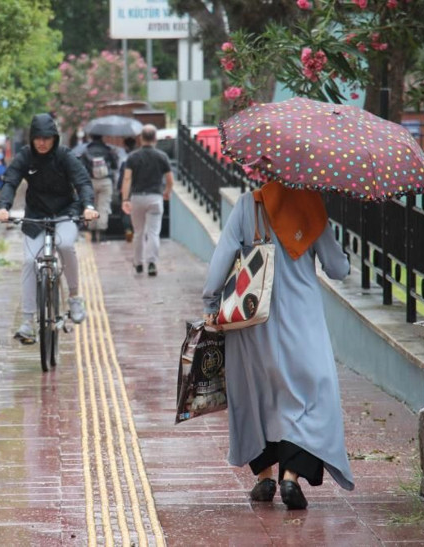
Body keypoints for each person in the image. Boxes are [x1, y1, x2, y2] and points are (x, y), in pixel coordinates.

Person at [201, 180, 355, 510]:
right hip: (303, 323)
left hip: (251, 320)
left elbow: (224, 256)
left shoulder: (247, 205)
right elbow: (338, 268)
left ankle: (264, 478)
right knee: (309, 397)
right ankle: (291, 477)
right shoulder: (311, 208)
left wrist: (212, 303)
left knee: (256, 396)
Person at [0, 113, 99, 343]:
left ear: (54, 138)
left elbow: (82, 181)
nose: (42, 143)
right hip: (36, 216)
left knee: (65, 244)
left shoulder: (64, 156)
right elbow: (11, 180)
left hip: (65, 213)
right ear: (32, 139)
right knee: (29, 262)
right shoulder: (25, 156)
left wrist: (89, 206)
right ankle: (27, 321)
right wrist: (4, 207)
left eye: (47, 138)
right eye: (38, 138)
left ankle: (74, 297)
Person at [120, 124, 173, 276]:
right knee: (153, 232)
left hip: (137, 198)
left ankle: (138, 263)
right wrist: (167, 192)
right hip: (155, 197)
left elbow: (127, 178)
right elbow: (170, 179)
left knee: (138, 232)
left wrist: (125, 199)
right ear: (155, 139)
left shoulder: (132, 157)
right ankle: (151, 263)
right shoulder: (162, 156)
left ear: (141, 138)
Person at [79, 133, 119, 242]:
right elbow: (115, 165)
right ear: (102, 136)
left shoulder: (86, 150)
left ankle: (91, 233)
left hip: (91, 181)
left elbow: (82, 167)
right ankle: (101, 234)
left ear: (91, 137)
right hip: (106, 181)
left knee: (91, 206)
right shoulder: (108, 150)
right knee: (103, 207)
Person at [115, 136, 138, 243]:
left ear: (125, 146)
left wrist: (120, 188)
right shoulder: (139, 157)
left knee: (125, 212)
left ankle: (128, 230)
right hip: (137, 189)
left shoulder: (125, 160)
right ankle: (136, 230)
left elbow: (123, 177)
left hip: (126, 189)